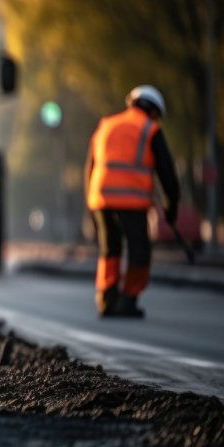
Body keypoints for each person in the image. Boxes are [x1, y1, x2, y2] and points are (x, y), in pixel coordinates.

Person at [85, 85, 179, 318]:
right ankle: (128, 299)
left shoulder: (106, 125)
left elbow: (90, 167)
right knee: (139, 250)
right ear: (154, 111)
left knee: (110, 248)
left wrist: (90, 199)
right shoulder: (150, 129)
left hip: (102, 198)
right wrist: (171, 205)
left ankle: (106, 299)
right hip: (132, 199)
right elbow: (166, 171)